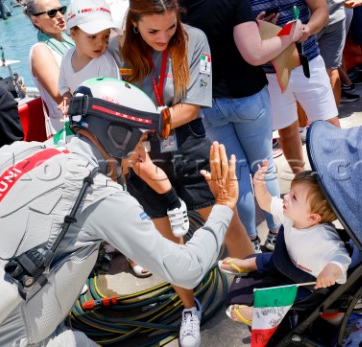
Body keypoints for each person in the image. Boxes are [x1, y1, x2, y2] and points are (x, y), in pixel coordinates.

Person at [0, 77, 238, 347]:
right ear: (119, 136)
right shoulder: (97, 193)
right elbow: (187, 269)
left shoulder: (17, 153)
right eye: (141, 141)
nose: (141, 154)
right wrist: (224, 205)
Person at [109, 1, 255, 345]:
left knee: (227, 223)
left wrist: (144, 124)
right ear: (133, 24)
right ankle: (189, 308)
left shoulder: (194, 39)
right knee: (167, 243)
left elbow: (193, 106)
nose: (164, 37)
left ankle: (261, 296)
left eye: (171, 27)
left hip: (188, 146)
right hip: (141, 156)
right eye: (153, 31)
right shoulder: (117, 47)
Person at [59, 0, 190, 271]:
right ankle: (118, 241)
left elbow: (115, 101)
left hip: (116, 137)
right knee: (108, 189)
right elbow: (67, 91)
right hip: (91, 138)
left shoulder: (106, 63)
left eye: (105, 37)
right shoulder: (66, 60)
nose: (100, 43)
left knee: (130, 182)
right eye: (92, 37)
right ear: (72, 34)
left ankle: (172, 206)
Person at [181, 0, 304, 253]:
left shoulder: (177, 5)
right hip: (247, 94)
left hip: (208, 100)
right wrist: (290, 34)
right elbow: (254, 53)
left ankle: (251, 241)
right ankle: (277, 232)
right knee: (263, 166)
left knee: (236, 173)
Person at [219, 163, 350, 324]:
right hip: (287, 261)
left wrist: (331, 269)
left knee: (281, 298)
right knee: (267, 259)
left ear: (313, 217)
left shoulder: (324, 238)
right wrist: (259, 186)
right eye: (290, 192)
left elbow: (342, 255)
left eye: (294, 197)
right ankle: (245, 264)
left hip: (306, 281)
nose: (286, 197)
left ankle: (255, 313)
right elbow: (266, 203)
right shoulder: (290, 213)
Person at [249, 0, 340, 181]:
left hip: (308, 63)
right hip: (271, 72)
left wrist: (307, 28)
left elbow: (321, 10)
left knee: (329, 125)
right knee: (287, 131)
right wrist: (258, 27)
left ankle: (337, 179)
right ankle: (302, 182)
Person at [24, 0, 74, 132]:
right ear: (36, 21)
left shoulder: (72, 41)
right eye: (52, 13)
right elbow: (61, 95)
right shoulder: (41, 51)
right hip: (69, 127)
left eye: (61, 10)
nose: (60, 16)